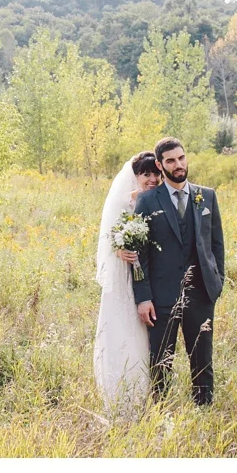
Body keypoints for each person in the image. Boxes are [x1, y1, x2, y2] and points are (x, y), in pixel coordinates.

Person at [132, 137, 225, 406]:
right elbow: (141, 255)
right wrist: (143, 297)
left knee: (202, 358)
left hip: (202, 293)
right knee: (161, 360)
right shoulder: (148, 201)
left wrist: (217, 283)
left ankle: (204, 409)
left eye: (181, 158)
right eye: (171, 160)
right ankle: (160, 413)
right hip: (161, 297)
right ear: (161, 166)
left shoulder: (206, 195)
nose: (179, 164)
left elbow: (216, 243)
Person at [93, 151, 162, 417]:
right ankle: (119, 390)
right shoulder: (123, 202)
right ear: (135, 176)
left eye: (155, 173)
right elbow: (110, 236)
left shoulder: (156, 197)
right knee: (122, 327)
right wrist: (119, 250)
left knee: (143, 335)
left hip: (150, 277)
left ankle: (144, 390)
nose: (152, 178)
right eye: (146, 174)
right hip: (125, 276)